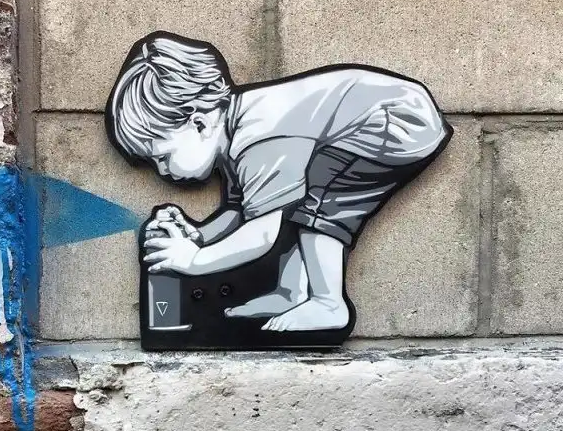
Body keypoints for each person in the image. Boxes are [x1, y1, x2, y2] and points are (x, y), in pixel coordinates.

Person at [106, 32, 452, 332]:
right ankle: (291, 294)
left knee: (320, 201)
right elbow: (240, 214)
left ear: (199, 123)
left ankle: (329, 304)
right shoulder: (236, 139)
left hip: (396, 122)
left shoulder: (260, 139)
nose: (162, 171)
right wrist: (198, 236)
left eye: (162, 157)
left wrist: (194, 261)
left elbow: (261, 235)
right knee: (293, 204)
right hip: (379, 119)